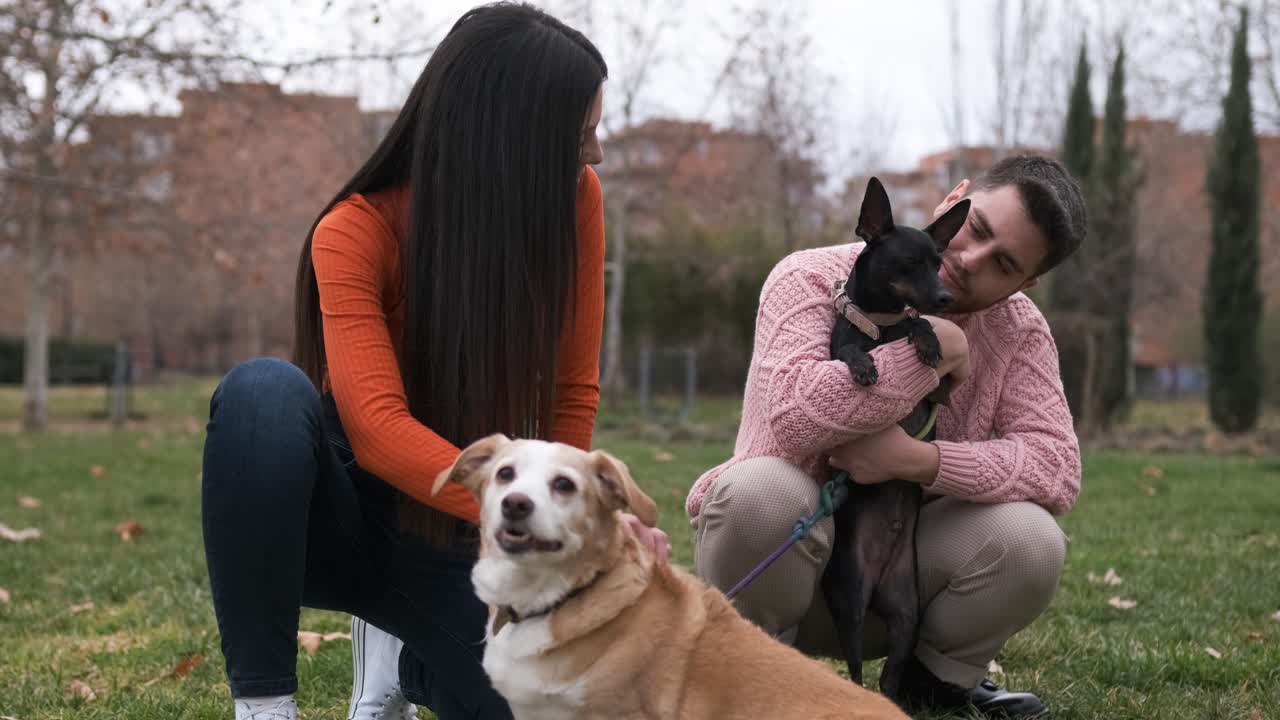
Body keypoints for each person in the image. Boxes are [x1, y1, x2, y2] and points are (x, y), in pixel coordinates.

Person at [200, 5, 670, 720]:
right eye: (580, 136)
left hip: (456, 537)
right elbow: (377, 428)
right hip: (343, 517)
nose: (597, 153)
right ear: (510, 139)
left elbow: (572, 388)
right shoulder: (355, 228)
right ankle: (265, 709)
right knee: (259, 394)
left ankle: (409, 659)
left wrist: (574, 512)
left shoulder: (575, 199)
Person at [689, 155, 1086, 718]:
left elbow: (1057, 467)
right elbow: (794, 416)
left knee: (1031, 540)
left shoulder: (1019, 329)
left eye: (1003, 264)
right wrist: (930, 355)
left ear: (1027, 282)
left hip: (899, 581)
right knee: (759, 492)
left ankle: (931, 687)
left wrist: (916, 460)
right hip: (779, 562)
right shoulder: (809, 278)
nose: (969, 262)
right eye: (975, 230)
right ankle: (752, 681)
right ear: (955, 199)